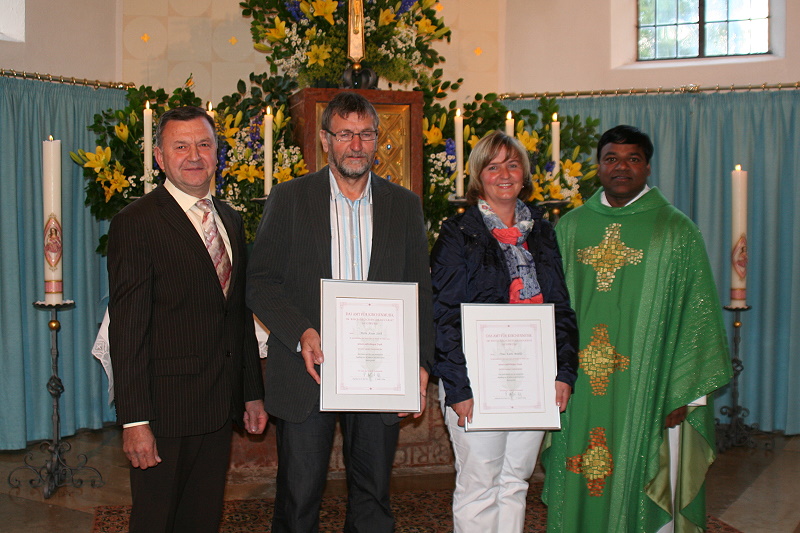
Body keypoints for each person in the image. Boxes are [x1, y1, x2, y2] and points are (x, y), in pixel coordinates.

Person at [246, 91, 434, 533]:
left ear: (376, 141)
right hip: (307, 369)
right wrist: (301, 332)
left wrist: (421, 364)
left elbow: (420, 292)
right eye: (345, 134)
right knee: (299, 495)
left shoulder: (404, 206)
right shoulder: (290, 199)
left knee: (372, 496)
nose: (356, 145)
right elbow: (260, 281)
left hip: (379, 373)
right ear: (326, 140)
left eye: (365, 134)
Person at [542, 125, 732, 532]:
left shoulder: (676, 232)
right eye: (611, 158)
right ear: (598, 167)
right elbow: (548, 309)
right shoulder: (570, 229)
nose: (621, 167)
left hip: (650, 387)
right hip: (576, 386)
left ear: (647, 167)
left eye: (632, 159)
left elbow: (696, 317)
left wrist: (684, 390)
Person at [107, 106, 267, 533]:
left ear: (217, 154)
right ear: (160, 157)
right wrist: (135, 421)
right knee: (156, 521)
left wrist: (251, 392)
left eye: (203, 144)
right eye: (180, 146)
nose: (193, 155)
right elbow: (128, 332)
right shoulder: (136, 222)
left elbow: (238, 316)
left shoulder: (230, 220)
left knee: (201, 519)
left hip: (217, 407)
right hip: (164, 412)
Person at [430, 131, 579, 533]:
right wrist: (457, 388)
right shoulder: (457, 233)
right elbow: (443, 314)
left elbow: (561, 307)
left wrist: (564, 371)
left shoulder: (543, 233)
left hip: (534, 375)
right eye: (492, 166)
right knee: (479, 484)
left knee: (515, 483)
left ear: (524, 174)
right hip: (478, 379)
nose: (504, 174)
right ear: (478, 176)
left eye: (512, 164)